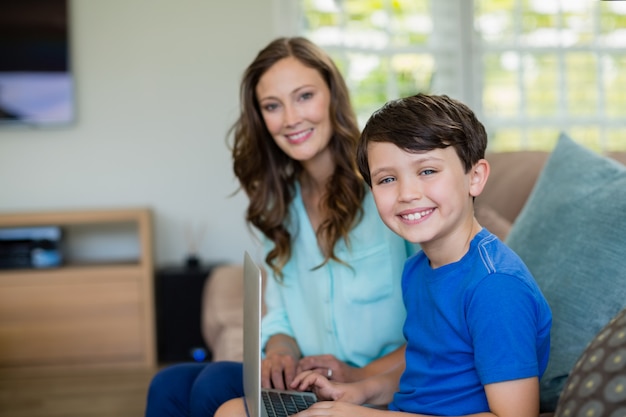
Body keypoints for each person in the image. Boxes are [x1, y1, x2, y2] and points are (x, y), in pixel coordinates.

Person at [215, 93, 553, 417]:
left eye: (427, 171)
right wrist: (359, 393)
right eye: (387, 179)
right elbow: (425, 372)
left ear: (475, 177)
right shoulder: (419, 269)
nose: (407, 193)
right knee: (233, 411)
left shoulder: (496, 287)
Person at [145, 37, 416, 417]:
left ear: (333, 97)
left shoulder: (388, 188)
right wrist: (279, 352)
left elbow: (440, 323)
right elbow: (281, 311)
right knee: (168, 384)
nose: (290, 118)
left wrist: (357, 375)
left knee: (210, 388)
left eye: (304, 96)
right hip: (311, 376)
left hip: (376, 385)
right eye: (273, 106)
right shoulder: (280, 203)